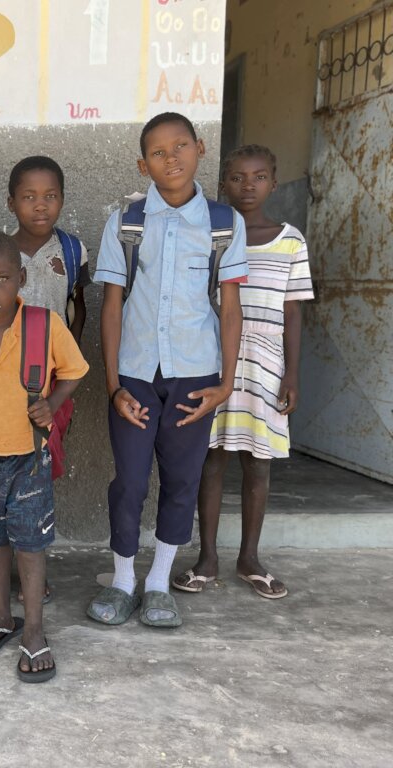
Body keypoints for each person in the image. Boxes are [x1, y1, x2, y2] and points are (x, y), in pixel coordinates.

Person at [87, 111, 248, 628]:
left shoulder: (224, 224)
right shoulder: (126, 222)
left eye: (181, 146)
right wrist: (112, 385)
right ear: (143, 163)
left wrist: (224, 383)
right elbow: (112, 306)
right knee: (130, 481)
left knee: (182, 479)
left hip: (196, 375)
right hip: (134, 373)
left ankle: (158, 582)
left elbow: (229, 307)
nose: (171, 157)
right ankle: (122, 580)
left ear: (200, 148)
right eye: (158, 152)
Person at [0, 231, 88, 682]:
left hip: (28, 453)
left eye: (2, 278)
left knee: (30, 543)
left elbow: (74, 371)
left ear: (21, 279)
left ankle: (35, 631)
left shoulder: (44, 326)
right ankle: (2, 615)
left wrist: (53, 401)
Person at [172, 145, 313, 600]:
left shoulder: (290, 240)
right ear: (223, 184)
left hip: (266, 366)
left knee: (258, 463)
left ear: (273, 181)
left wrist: (291, 374)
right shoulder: (211, 234)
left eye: (257, 177)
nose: (247, 186)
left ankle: (249, 557)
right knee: (211, 459)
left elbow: (293, 312)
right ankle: (207, 557)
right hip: (212, 362)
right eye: (236, 178)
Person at [0, 155, 91, 604]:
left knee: (39, 479)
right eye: (28, 197)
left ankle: (32, 569)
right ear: (11, 203)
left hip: (52, 390)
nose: (40, 206)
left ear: (62, 200)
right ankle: (1, 570)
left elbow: (79, 305)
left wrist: (70, 359)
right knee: (0, 481)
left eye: (50, 196)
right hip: (3, 390)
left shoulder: (73, 250)